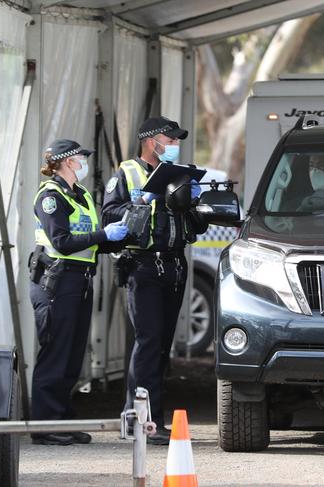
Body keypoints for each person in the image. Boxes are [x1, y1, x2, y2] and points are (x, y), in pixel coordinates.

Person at [101, 116, 208, 445]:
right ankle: (141, 422)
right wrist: (142, 202)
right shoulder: (128, 172)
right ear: (151, 141)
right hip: (144, 267)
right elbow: (108, 214)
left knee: (161, 347)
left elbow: (196, 226)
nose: (175, 145)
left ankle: (151, 417)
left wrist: (193, 202)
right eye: (170, 139)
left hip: (174, 267)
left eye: (177, 140)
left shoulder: (179, 174)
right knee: (147, 344)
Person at [30, 139, 128, 446]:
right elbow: (62, 241)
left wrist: (121, 237)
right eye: (81, 157)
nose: (85, 161)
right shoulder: (50, 196)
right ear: (68, 162)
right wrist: (103, 234)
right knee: (56, 353)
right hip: (57, 282)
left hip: (80, 280)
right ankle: (44, 427)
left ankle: (63, 418)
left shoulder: (81, 195)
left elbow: (91, 242)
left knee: (73, 357)